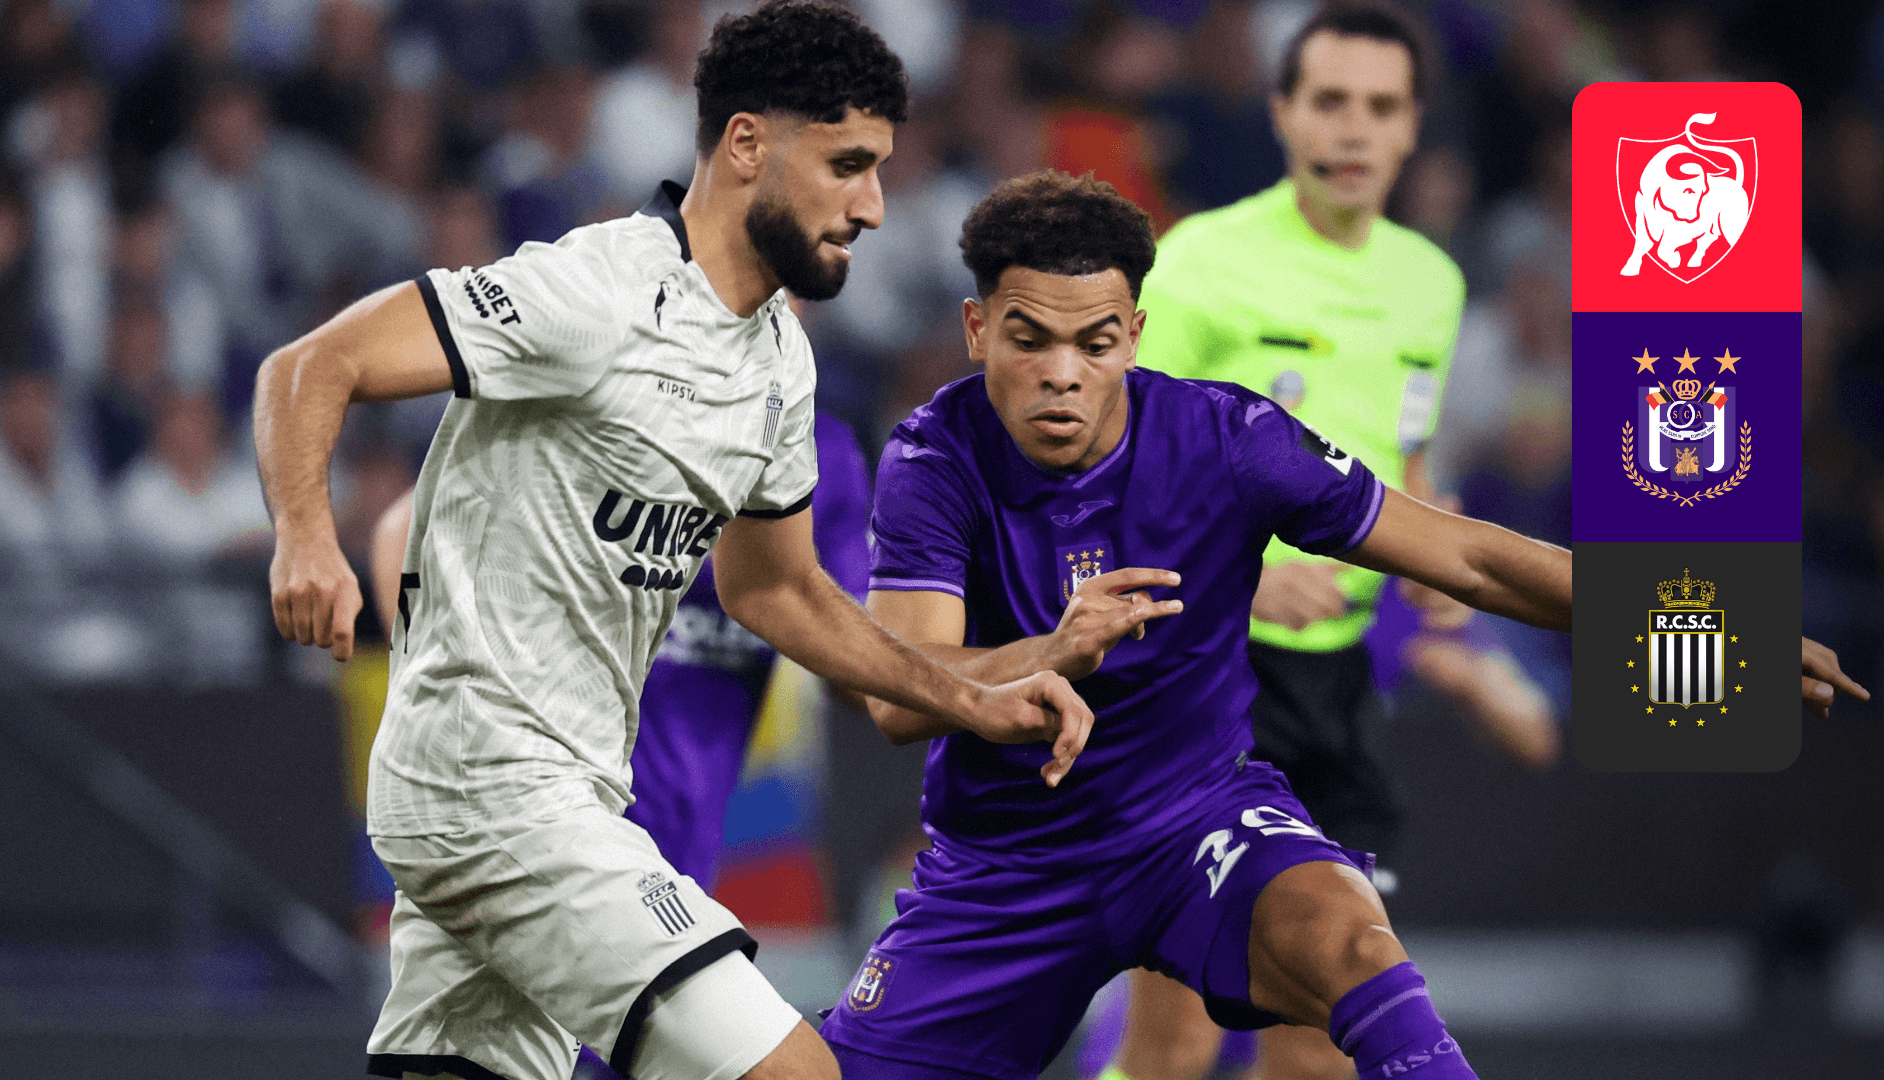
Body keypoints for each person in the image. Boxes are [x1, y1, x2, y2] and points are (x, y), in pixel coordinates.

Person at [252, 7, 1092, 1080]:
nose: (872, 206)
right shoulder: (594, 291)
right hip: (495, 785)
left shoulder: (779, 361)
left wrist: (972, 697)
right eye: (846, 165)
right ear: (745, 145)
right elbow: (308, 366)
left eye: (879, 170)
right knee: (795, 1073)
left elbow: (780, 593)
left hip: (556, 795)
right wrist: (306, 539)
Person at [818, 171, 1571, 1080]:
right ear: (979, 331)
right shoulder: (934, 456)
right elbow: (900, 696)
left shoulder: (1231, 438)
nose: (1063, 374)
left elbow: (1472, 559)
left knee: (1355, 945)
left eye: (1096, 343)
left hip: (1194, 827)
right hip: (1007, 866)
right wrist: (1050, 651)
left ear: (1135, 335)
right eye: (1030, 339)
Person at [1117, 5, 1548, 1075]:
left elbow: (1408, 456)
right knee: (1176, 1034)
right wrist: (1242, 582)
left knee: (1321, 1034)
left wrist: (1435, 572)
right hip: (1203, 678)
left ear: (1413, 127)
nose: (1354, 129)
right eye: (1331, 102)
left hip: (1340, 687)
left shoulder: (1430, 284)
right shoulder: (1200, 262)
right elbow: (1111, 471)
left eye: (1381, 107)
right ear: (1283, 113)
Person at [368, 410, 872, 1080]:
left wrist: (967, 679)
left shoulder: (815, 448)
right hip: (550, 838)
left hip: (675, 864)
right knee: (788, 1068)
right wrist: (439, 698)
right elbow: (404, 526)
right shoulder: (614, 384)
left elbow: (859, 670)